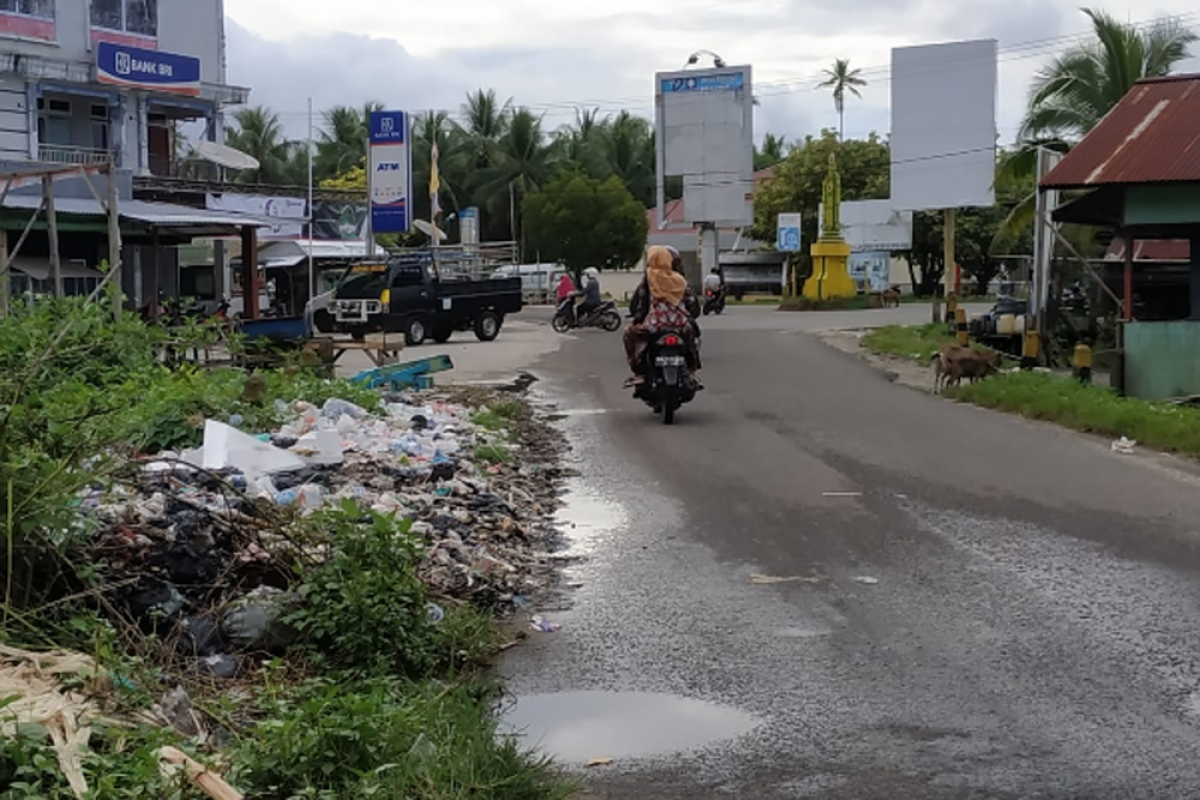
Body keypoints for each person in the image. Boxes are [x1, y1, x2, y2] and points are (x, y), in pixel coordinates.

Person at [623, 246, 701, 386]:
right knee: (691, 340)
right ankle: (692, 371)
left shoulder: (650, 277)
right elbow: (691, 302)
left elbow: (641, 303)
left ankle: (639, 372)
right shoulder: (680, 279)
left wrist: (637, 320)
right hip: (680, 325)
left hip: (655, 325)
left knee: (629, 333)